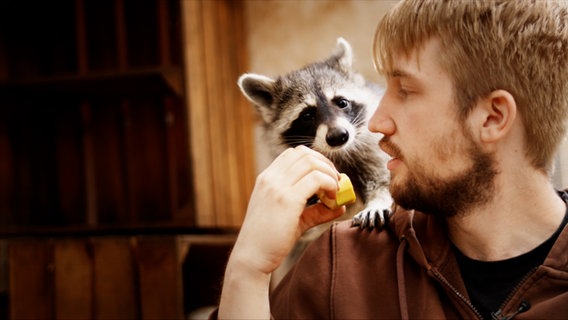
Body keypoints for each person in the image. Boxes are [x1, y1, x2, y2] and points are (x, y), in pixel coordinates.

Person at [217, 0, 568, 319]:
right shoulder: (341, 262)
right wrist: (248, 268)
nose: (374, 122)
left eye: (406, 91)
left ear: (491, 118)